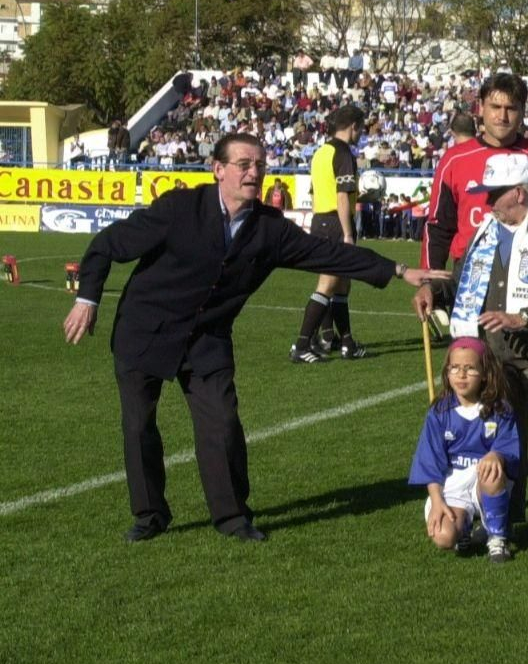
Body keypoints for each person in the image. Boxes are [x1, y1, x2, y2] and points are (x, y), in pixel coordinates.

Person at [63, 133, 446, 543]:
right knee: (139, 426)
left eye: (260, 165)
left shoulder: (269, 228)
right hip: (144, 331)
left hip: (207, 338)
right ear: (218, 169)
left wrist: (399, 271)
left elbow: (331, 254)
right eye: (244, 164)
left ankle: (232, 517)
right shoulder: (180, 208)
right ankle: (150, 516)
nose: (254, 172)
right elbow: (107, 245)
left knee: (223, 424)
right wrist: (88, 298)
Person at [424, 153, 528, 544]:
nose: (486, 202)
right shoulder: (488, 231)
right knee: (500, 440)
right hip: (497, 355)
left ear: (518, 193)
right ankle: (502, 521)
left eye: (493, 193)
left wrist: (523, 317)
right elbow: (464, 281)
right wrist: (434, 289)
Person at [417, 72, 528, 283]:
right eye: (495, 107)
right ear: (481, 107)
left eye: (511, 108)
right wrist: (428, 282)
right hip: (469, 275)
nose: (502, 116)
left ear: (523, 111)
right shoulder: (455, 159)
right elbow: (438, 227)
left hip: (527, 276)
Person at [408, 337, 520, 563]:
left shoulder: (499, 409)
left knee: (491, 470)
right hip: (454, 485)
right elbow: (430, 462)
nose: (461, 375)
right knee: (443, 537)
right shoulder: (439, 412)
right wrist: (437, 501)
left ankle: (497, 537)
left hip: (485, 480)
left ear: (485, 373)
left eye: (470, 369)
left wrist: (496, 454)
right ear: (447, 372)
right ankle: (464, 527)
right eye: (455, 368)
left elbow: (510, 447)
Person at [291, 104, 368, 362]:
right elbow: (341, 195)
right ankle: (301, 344)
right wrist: (347, 233)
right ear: (353, 127)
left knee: (342, 284)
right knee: (329, 284)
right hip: (336, 222)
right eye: (361, 129)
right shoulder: (344, 152)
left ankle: (344, 342)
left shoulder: (321, 152)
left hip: (321, 219)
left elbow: (317, 192)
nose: (361, 134)